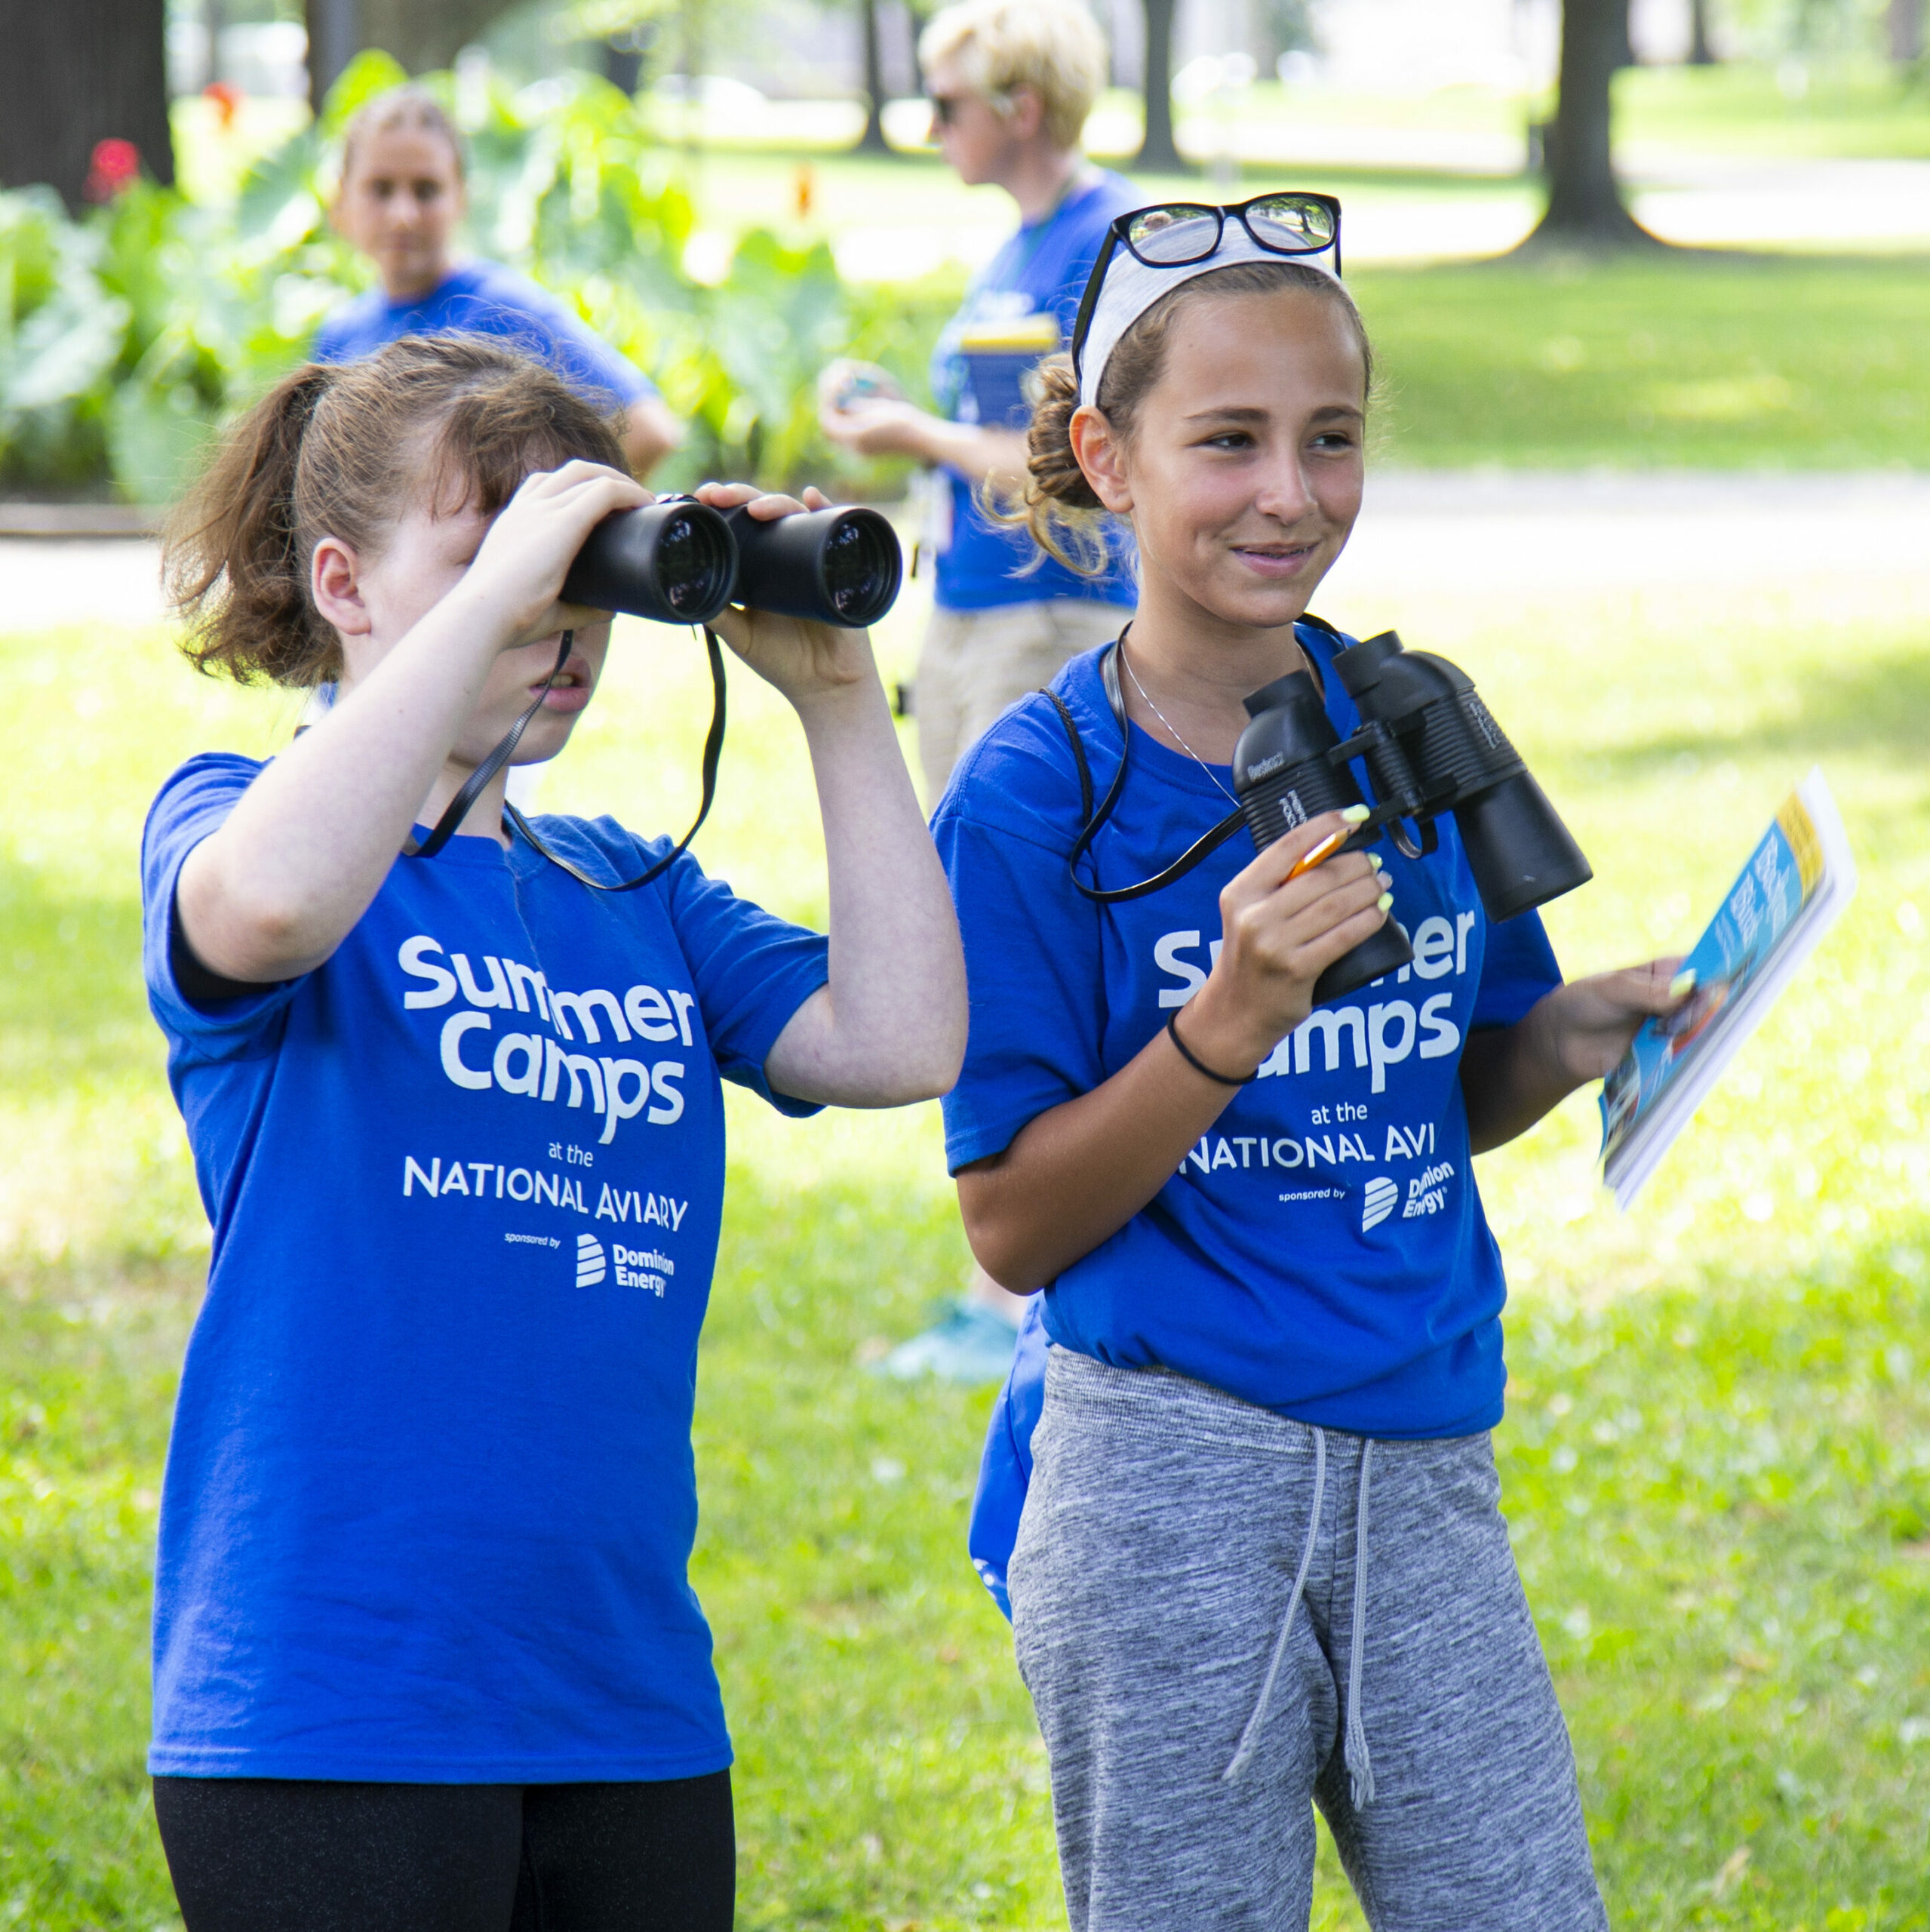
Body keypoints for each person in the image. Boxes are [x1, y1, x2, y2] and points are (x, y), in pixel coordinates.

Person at [141, 334, 965, 1930]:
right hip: (333, 1700)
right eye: (494, 559)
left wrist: (840, 699)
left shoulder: (632, 890)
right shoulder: (233, 817)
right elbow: (265, 905)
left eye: (585, 564)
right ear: (343, 584)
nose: (562, 614)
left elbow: (903, 1036)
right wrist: (489, 601)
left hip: (622, 1693)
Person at [936, 195, 1690, 1929]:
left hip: (1423, 1453)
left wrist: (1563, 1038)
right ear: (1101, 456)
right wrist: (1224, 1022)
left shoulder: (1399, 714)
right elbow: (1010, 1226)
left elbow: (1452, 1073)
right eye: (1227, 441)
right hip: (1164, 1487)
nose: (1290, 492)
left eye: (1330, 437)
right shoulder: (1035, 795)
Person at [819, 0, 1138, 1381]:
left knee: (1014, 948)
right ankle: (1006, 1286)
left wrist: (912, 433)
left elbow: (1077, 459)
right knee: (974, 938)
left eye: (945, 102)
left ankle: (1013, 1298)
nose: (928, 124)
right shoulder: (1014, 247)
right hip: (968, 624)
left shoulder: (1102, 245)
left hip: (1047, 624)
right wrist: (906, 426)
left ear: (1017, 100)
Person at [315, 85, 682, 480]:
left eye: (426, 190)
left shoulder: (503, 309)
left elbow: (648, 430)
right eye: (381, 189)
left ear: (461, 199)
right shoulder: (340, 336)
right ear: (341, 202)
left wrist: (538, 520)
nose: (403, 214)